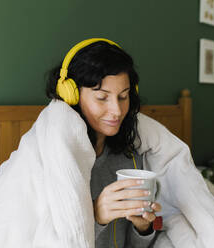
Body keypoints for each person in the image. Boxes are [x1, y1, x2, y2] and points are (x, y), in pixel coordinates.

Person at [45, 38, 162, 248]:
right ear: (71, 95)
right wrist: (95, 215)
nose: (117, 111)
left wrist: (142, 228)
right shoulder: (55, 160)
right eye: (102, 97)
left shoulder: (130, 158)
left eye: (123, 96)